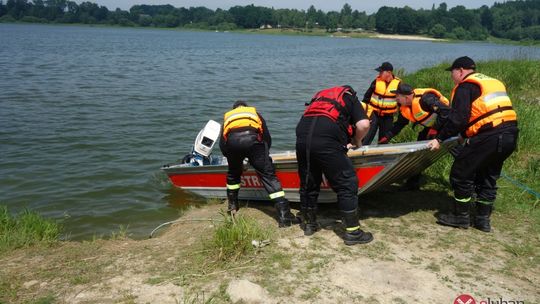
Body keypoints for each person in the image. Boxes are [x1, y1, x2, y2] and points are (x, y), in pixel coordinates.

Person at [427, 56, 518, 232]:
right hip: (510, 135)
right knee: (488, 176)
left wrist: (439, 138)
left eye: (452, 72)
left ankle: (460, 217)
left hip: (489, 136)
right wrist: (464, 134)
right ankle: (483, 220)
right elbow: (481, 113)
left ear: (460, 70)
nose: (452, 77)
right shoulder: (493, 82)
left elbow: (458, 118)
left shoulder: (465, 86)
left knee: (461, 173)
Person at [296, 85, 373, 245]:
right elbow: (364, 125)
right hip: (326, 139)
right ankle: (353, 233)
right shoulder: (350, 97)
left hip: (302, 136)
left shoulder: (319, 98)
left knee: (309, 182)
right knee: (347, 182)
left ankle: (309, 224)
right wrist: (357, 140)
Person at [219, 101, 297, 227]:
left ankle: (232, 205)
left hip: (233, 144)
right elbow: (266, 136)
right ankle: (284, 216)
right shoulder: (255, 114)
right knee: (268, 176)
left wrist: (232, 159)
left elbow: (223, 143)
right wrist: (263, 157)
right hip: (253, 142)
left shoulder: (228, 117)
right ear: (246, 107)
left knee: (233, 174)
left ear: (234, 109)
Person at [378, 83, 451, 190]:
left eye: (397, 97)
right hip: (432, 128)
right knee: (419, 149)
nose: (396, 99)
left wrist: (435, 129)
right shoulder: (405, 106)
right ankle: (413, 183)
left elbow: (446, 111)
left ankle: (469, 181)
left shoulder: (426, 99)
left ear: (406, 97)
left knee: (457, 150)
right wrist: (387, 137)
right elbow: (399, 124)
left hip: (448, 125)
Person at [361, 62, 402, 145]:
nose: (379, 73)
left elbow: (401, 103)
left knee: (384, 140)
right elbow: (366, 98)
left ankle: (380, 156)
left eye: (381, 72)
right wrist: (363, 114)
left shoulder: (398, 84)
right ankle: (360, 154)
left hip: (388, 117)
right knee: (366, 138)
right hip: (374, 114)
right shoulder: (376, 82)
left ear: (389, 73)